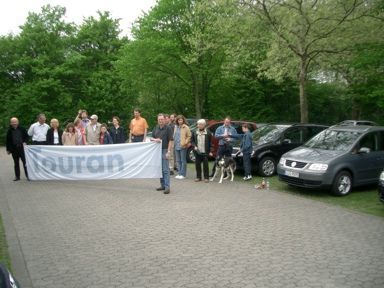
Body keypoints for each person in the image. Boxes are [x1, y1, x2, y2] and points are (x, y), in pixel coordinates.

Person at [151, 113, 174, 194]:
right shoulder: (156, 128)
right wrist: (155, 139)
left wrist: (168, 151)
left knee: (165, 169)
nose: (160, 121)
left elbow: (171, 140)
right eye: (159, 119)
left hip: (164, 150)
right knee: (160, 169)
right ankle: (162, 185)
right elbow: (151, 138)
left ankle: (167, 187)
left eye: (161, 119)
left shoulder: (168, 128)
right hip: (157, 151)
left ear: (164, 119)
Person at [173, 115, 191, 179]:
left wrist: (185, 143)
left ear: (183, 120)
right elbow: (174, 136)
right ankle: (179, 173)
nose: (180, 121)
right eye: (178, 120)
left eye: (181, 120)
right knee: (178, 160)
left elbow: (189, 136)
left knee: (183, 160)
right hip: (176, 145)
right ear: (177, 121)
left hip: (183, 146)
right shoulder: (176, 127)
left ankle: (183, 174)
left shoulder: (186, 127)